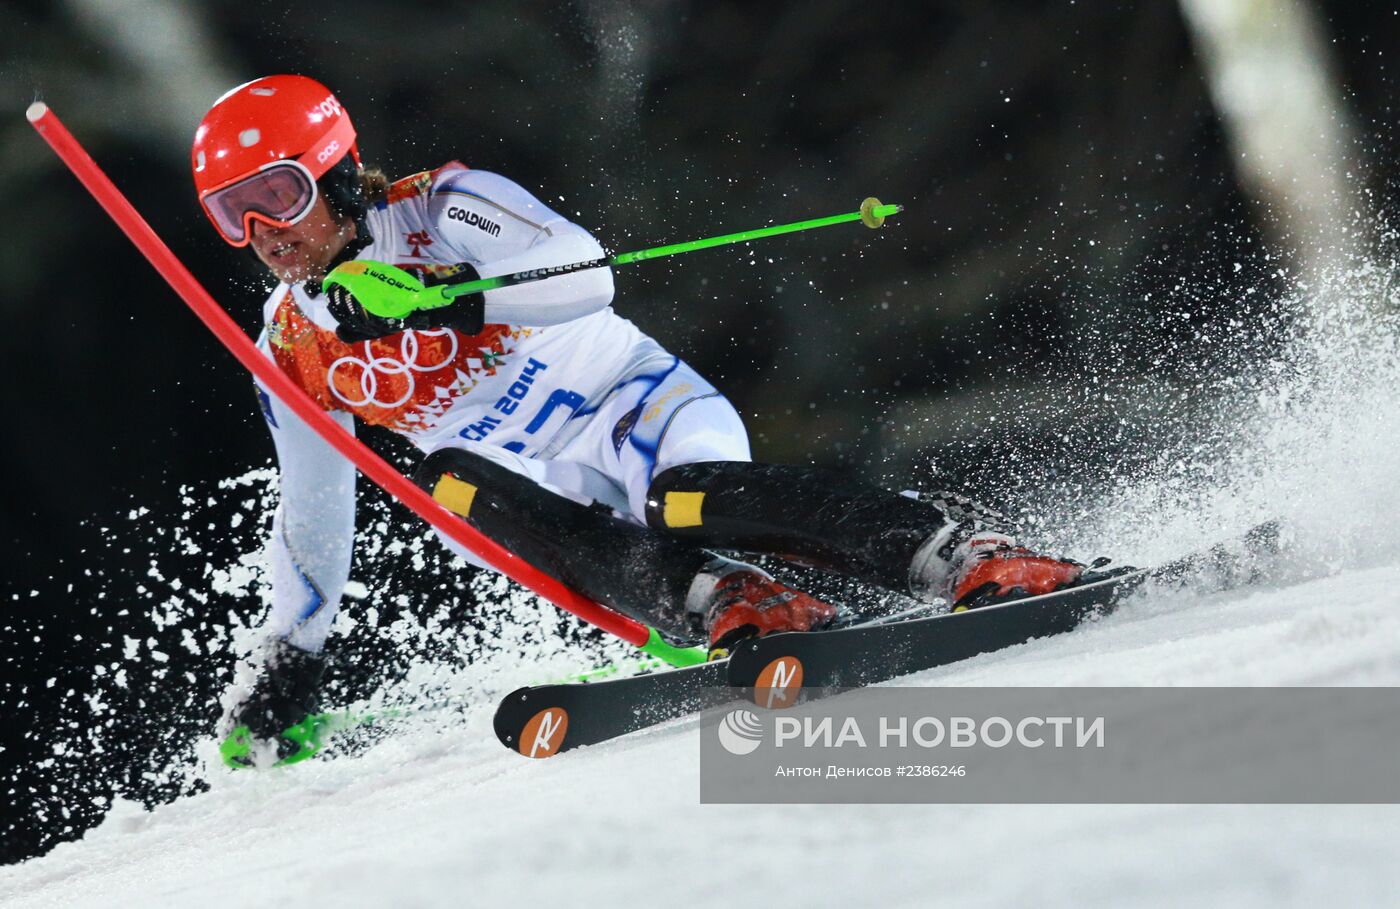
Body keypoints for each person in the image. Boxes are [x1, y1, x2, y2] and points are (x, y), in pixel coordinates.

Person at [192, 74, 1089, 758]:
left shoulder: (444, 206)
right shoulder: (291, 351)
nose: (263, 231)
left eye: (276, 194)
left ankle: (958, 554)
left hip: (637, 413)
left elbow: (585, 273)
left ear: (334, 170)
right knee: (450, 490)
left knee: (684, 497)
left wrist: (445, 300)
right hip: (552, 504)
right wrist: (289, 659)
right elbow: (313, 514)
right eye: (231, 214)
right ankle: (737, 600)